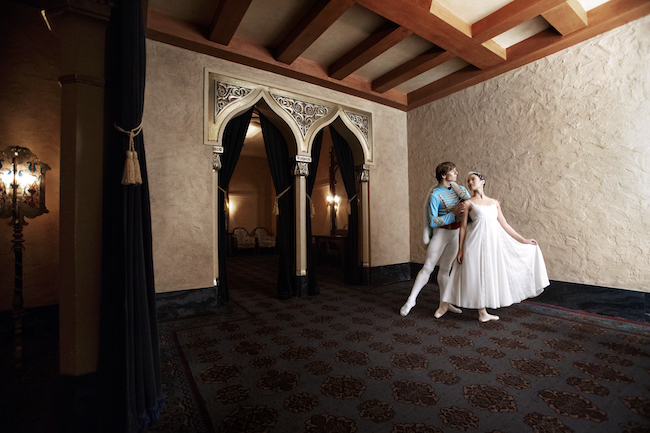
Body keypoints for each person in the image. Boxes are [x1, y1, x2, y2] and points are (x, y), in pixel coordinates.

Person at [436, 171, 550, 322]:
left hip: (491, 245)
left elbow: (504, 224)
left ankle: (482, 312)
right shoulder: (468, 203)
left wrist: (523, 239)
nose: (470, 183)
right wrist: (460, 249)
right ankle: (445, 304)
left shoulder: (494, 203)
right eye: (468, 181)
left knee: (486, 274)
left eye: (473, 179)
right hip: (473, 243)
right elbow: (463, 228)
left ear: (482, 181)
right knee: (467, 273)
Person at [400, 162, 468, 317]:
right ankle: (411, 300)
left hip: (456, 234)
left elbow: (472, 206)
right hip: (441, 234)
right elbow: (432, 221)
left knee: (445, 269)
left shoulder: (460, 190)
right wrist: (453, 213)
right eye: (453, 171)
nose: (456, 173)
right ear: (444, 175)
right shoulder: (435, 194)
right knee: (428, 267)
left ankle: (445, 303)